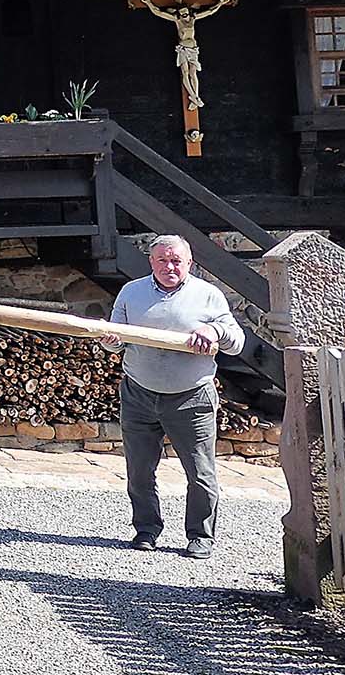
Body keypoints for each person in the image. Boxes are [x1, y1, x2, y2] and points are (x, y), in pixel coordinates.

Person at [100, 235, 244, 558]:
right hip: (139, 393)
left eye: (176, 261)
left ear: (189, 263)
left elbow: (236, 342)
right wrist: (109, 340)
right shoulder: (131, 292)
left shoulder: (208, 296)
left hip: (192, 398)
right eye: (162, 260)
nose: (170, 267)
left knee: (201, 472)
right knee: (139, 470)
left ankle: (200, 536)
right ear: (151, 262)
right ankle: (146, 529)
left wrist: (214, 331)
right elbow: (116, 341)